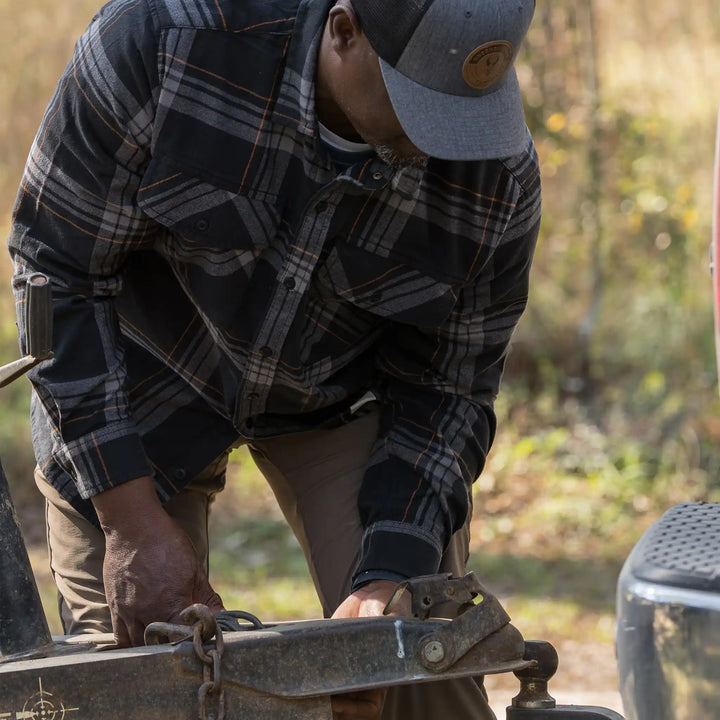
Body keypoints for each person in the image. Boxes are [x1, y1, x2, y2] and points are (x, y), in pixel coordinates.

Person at [8, 0, 540, 717]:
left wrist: (390, 575)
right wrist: (129, 524)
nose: (440, 139)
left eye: (462, 110)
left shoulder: (496, 175)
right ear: (344, 30)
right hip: (139, 380)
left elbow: (450, 390)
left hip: (343, 398)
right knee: (131, 682)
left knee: (416, 662)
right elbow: (55, 272)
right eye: (418, 104)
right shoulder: (163, 39)